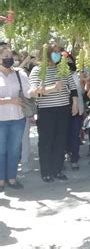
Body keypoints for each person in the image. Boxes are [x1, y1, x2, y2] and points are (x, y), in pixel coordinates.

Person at [29, 44, 79, 183]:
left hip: (63, 109)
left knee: (60, 140)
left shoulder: (63, 68)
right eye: (55, 52)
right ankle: (46, 171)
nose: (58, 54)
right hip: (46, 111)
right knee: (46, 141)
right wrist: (52, 88)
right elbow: (33, 92)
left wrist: (74, 103)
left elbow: (72, 87)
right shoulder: (38, 70)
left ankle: (57, 169)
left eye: (59, 52)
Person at [0, 42, 30, 191]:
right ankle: (0, 181)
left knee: (14, 150)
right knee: (1, 151)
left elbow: (28, 92)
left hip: (18, 119)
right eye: (5, 56)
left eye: (10, 55)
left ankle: (12, 179)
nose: (9, 58)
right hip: (1, 121)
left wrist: (42, 89)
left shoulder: (19, 73)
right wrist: (9, 101)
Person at [63, 52, 86, 171]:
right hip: (61, 110)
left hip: (76, 110)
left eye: (69, 60)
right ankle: (63, 156)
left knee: (74, 135)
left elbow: (81, 93)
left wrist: (84, 83)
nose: (67, 63)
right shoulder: (58, 75)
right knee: (62, 135)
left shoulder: (76, 75)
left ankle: (74, 159)